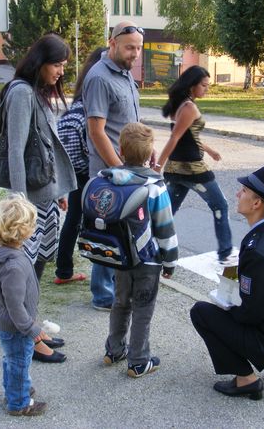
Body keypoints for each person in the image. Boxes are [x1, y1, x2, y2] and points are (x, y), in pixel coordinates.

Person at [190, 166, 264, 400]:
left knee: (202, 313)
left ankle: (246, 380)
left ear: (257, 203)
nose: (238, 194)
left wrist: (226, 307)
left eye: (243, 190)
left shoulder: (259, 250)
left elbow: (252, 315)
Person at [0, 33, 77, 362]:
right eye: (57, 64)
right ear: (40, 62)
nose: (61, 71)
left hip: (44, 199)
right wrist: (19, 204)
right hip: (28, 204)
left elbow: (45, 148)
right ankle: (27, 340)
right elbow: (16, 152)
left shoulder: (38, 93)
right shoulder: (21, 93)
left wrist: (57, 191)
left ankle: (32, 328)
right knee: (24, 274)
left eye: (64, 66)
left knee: (38, 269)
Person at [101, 123, 178, 378]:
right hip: (147, 261)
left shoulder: (111, 178)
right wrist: (170, 261)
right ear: (151, 153)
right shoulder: (155, 185)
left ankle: (114, 350)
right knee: (143, 308)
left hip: (121, 258)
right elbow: (165, 227)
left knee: (120, 302)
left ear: (120, 150)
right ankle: (138, 360)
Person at [82, 20, 144, 311]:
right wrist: (119, 169)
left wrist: (147, 151)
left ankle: (117, 287)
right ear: (113, 43)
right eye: (130, 47)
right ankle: (102, 294)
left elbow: (131, 121)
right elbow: (96, 131)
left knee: (124, 229)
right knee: (109, 231)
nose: (135, 54)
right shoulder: (99, 77)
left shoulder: (125, 74)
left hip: (130, 167)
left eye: (139, 49)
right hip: (111, 172)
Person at [155, 66, 234, 265]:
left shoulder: (179, 105)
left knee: (167, 211)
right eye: (204, 85)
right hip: (193, 170)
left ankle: (152, 246)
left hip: (176, 170)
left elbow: (188, 138)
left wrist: (209, 150)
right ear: (192, 85)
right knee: (220, 206)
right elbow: (175, 138)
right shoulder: (189, 107)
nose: (206, 89)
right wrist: (157, 165)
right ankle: (225, 252)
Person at [0, 194, 47, 416]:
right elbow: (15, 306)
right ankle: (19, 403)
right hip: (16, 327)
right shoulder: (13, 266)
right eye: (32, 225)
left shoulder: (5, 252)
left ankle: (15, 389)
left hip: (7, 324)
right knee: (19, 361)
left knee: (12, 359)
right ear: (22, 231)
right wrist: (31, 329)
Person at [53, 47, 107, 285]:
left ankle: (63, 271)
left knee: (73, 221)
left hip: (73, 173)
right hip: (90, 173)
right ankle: (101, 276)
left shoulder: (74, 107)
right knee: (96, 224)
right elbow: (93, 148)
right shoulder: (91, 107)